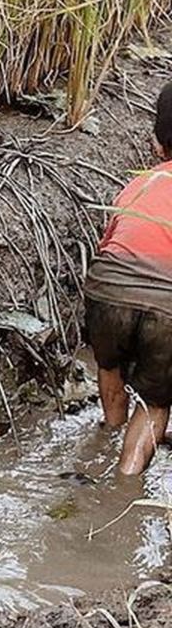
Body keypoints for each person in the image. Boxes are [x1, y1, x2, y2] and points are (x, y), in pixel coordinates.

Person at [85, 80, 172, 475]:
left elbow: (110, 242)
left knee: (109, 366)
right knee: (156, 402)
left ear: (158, 145)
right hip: (165, 304)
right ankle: (126, 478)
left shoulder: (142, 182)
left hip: (107, 287)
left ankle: (107, 431)